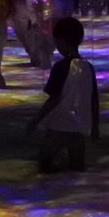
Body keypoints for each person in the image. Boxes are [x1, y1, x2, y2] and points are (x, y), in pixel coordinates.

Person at [26, 16, 96, 171]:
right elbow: (93, 99)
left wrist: (36, 119)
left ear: (61, 42)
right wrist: (95, 127)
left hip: (59, 126)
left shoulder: (60, 67)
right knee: (77, 167)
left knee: (44, 165)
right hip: (79, 128)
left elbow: (54, 98)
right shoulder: (88, 67)